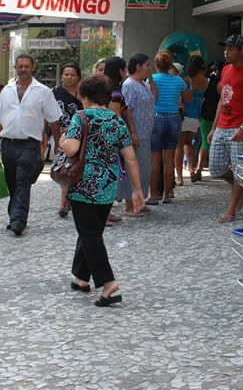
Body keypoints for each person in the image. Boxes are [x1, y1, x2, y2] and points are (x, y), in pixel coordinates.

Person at [58, 75, 145, 306]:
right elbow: (131, 158)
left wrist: (62, 140)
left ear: (86, 96)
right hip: (108, 185)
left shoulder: (81, 117)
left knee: (89, 233)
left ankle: (108, 283)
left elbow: (72, 147)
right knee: (91, 231)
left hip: (83, 186)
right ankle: (81, 278)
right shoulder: (117, 121)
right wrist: (137, 189)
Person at [0, 53, 62, 236]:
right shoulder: (7, 91)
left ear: (33, 67)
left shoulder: (43, 91)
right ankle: (14, 216)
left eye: (27, 66)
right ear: (15, 68)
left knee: (22, 180)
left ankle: (18, 220)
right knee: (12, 181)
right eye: (20, 66)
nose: (24, 69)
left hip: (30, 144)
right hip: (8, 145)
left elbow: (54, 120)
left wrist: (58, 143)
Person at [207, 35, 243, 223]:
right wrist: (214, 128)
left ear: (242, 51)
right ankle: (242, 188)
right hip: (222, 124)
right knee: (216, 166)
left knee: (239, 168)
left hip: (240, 125)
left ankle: (232, 207)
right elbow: (223, 100)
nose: (226, 52)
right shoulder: (226, 70)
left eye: (231, 49)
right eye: (226, 48)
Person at [148, 51, 191, 205]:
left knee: (155, 160)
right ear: (170, 65)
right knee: (169, 159)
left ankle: (153, 195)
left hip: (156, 117)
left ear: (156, 65)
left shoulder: (152, 80)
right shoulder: (178, 81)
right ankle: (167, 194)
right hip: (174, 118)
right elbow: (189, 98)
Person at [121, 53, 157, 217]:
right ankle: (129, 205)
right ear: (138, 66)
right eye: (147, 65)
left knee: (143, 169)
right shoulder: (129, 85)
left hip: (146, 132)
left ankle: (139, 202)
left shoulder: (143, 83)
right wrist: (133, 132)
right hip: (136, 133)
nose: (150, 68)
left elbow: (154, 98)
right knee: (133, 169)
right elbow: (127, 109)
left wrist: (151, 78)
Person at [104, 56, 135, 224]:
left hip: (104, 139)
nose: (126, 74)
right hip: (111, 141)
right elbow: (114, 119)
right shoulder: (115, 93)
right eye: (125, 70)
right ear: (120, 71)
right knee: (111, 176)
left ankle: (106, 212)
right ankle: (103, 214)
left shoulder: (106, 87)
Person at [53, 62, 83, 218]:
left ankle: (72, 199)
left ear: (78, 77)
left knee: (78, 167)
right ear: (61, 76)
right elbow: (49, 115)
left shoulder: (84, 94)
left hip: (82, 134)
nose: (69, 77)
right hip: (62, 136)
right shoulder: (55, 93)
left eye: (72, 75)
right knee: (66, 167)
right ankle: (63, 203)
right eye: (66, 74)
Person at [176, 55, 207, 185]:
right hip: (196, 116)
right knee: (189, 143)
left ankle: (180, 177)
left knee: (179, 146)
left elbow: (179, 94)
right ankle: (192, 169)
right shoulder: (206, 81)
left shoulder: (187, 80)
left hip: (185, 114)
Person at [196, 60, 224, 181]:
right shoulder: (222, 84)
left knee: (204, 143)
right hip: (218, 115)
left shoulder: (206, 81)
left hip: (205, 113)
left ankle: (199, 167)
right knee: (219, 142)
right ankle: (220, 169)